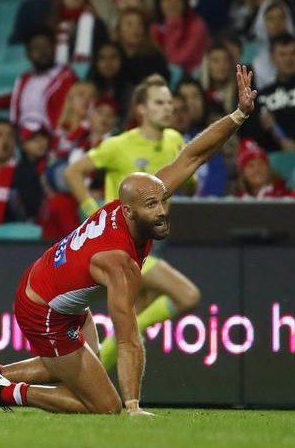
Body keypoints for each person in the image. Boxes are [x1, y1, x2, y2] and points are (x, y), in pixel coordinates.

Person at [0, 65, 256, 415]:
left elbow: (193, 155)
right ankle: (2, 392)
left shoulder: (139, 199)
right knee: (106, 406)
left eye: (162, 202)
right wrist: (133, 405)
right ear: (129, 213)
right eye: (153, 206)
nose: (162, 211)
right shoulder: (117, 260)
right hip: (42, 309)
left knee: (76, 370)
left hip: (54, 287)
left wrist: (238, 115)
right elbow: (127, 338)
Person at [62, 74, 201, 371]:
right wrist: (92, 212)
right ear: (142, 109)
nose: (168, 108)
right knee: (186, 295)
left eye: (169, 102)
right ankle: (89, 376)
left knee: (131, 321)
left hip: (152, 243)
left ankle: (88, 381)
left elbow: (190, 187)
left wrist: (189, 178)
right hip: (121, 245)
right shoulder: (118, 145)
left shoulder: (175, 140)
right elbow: (73, 172)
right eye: (159, 103)